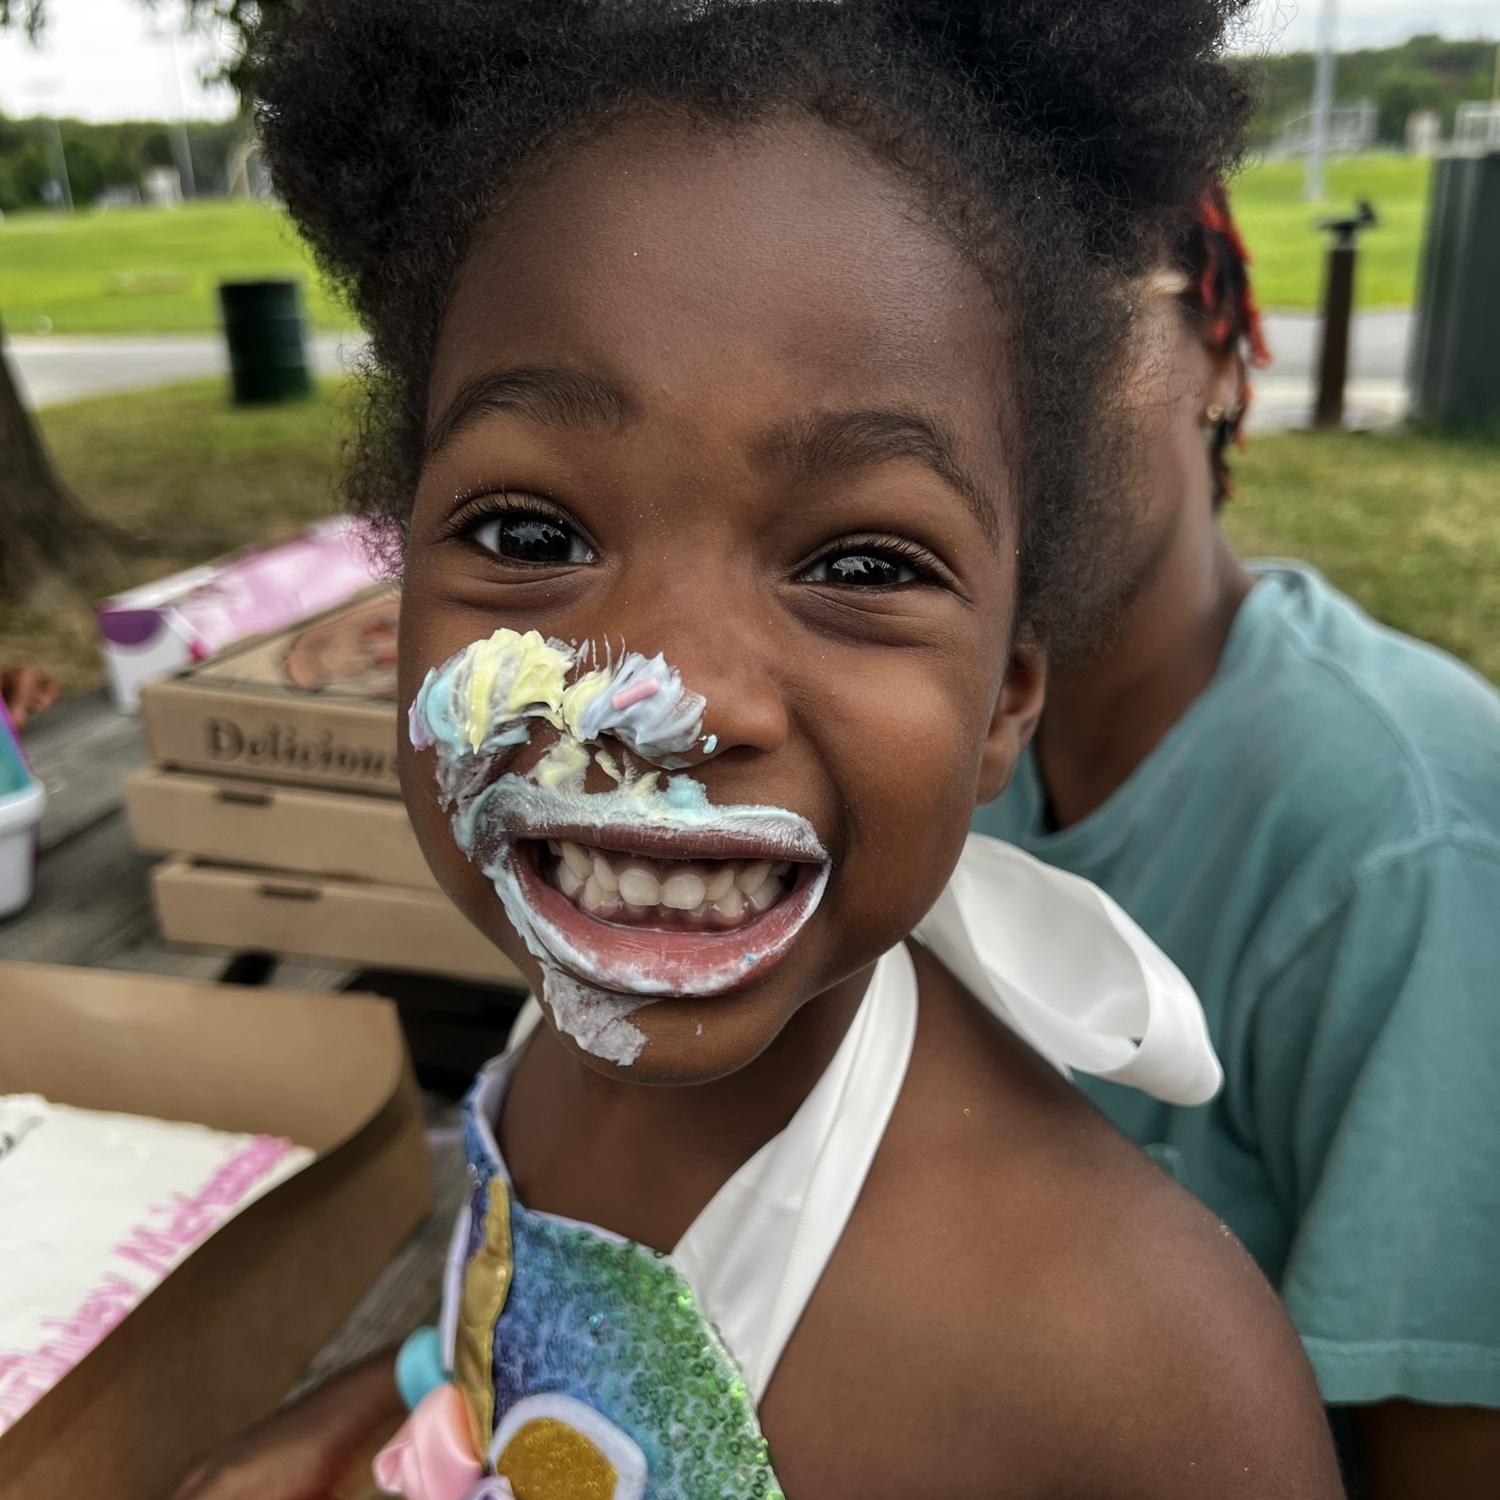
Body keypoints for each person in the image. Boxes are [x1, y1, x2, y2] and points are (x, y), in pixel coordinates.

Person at [172, 4, 1343, 1497]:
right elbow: (505, 1368)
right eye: (532, 534)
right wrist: (315, 1443)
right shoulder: (550, 1048)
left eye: (859, 565)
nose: (668, 693)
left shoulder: (1137, 1366)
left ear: (1003, 707)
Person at [975, 185, 1500, 1495]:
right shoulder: (947, 733)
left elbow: (1437, 1447)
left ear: (1218, 349)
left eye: (1080, 312)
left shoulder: (1400, 840)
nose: (1010, 386)